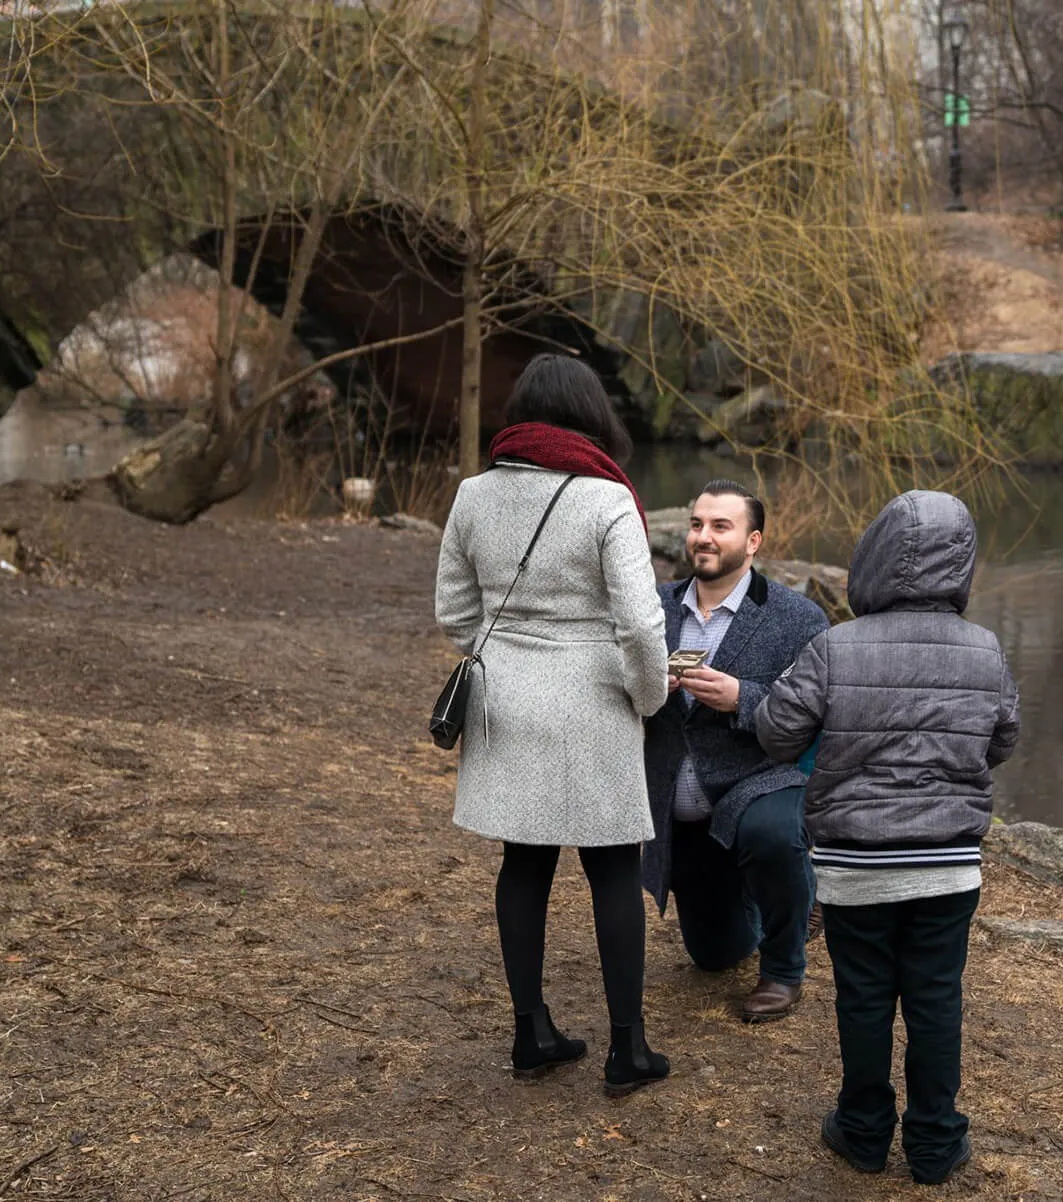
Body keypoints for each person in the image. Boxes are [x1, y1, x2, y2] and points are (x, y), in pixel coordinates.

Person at [755, 490, 1021, 1185]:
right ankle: (935, 1143)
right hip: (948, 865)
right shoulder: (985, 650)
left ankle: (865, 1131)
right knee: (936, 997)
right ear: (961, 563)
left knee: (864, 995)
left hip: (854, 864)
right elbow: (1003, 740)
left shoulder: (835, 646)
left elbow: (776, 734)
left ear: (870, 556)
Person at [434, 354, 670, 1097]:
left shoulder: (474, 493)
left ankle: (531, 1032)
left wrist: (502, 653)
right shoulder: (606, 499)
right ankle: (626, 1049)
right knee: (612, 869)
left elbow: (453, 610)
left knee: (524, 863)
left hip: (508, 696)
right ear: (592, 413)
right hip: (594, 698)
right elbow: (638, 623)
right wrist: (650, 695)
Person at [641, 482, 830, 1021]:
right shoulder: (655, 609)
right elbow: (617, 684)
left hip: (760, 782)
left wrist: (741, 697)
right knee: (716, 955)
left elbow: (815, 711)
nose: (703, 536)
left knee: (772, 835)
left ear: (752, 542)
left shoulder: (799, 618)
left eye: (720, 527)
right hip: (682, 809)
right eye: (698, 524)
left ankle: (784, 969)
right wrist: (648, 683)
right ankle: (777, 895)